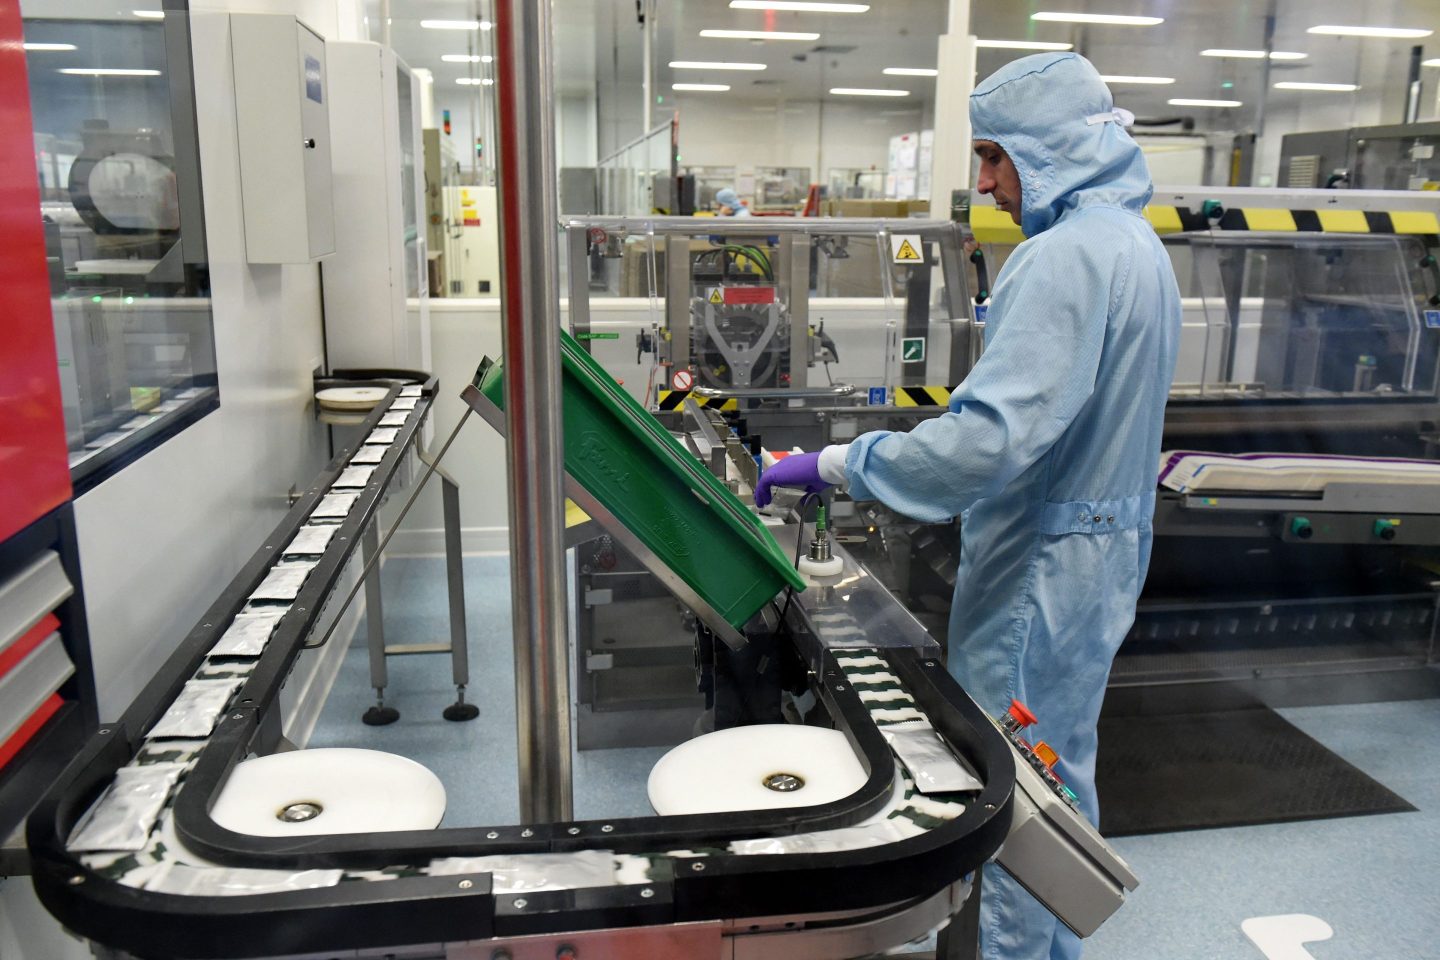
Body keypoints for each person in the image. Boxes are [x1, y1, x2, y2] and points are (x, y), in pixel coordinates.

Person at [754, 52, 1180, 960]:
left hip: (1042, 567)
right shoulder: (1135, 245)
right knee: (1057, 776)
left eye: (995, 156)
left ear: (1052, 146)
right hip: (1098, 559)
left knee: (1015, 799)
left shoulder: (1062, 258)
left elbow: (982, 445)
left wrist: (829, 463)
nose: (983, 182)